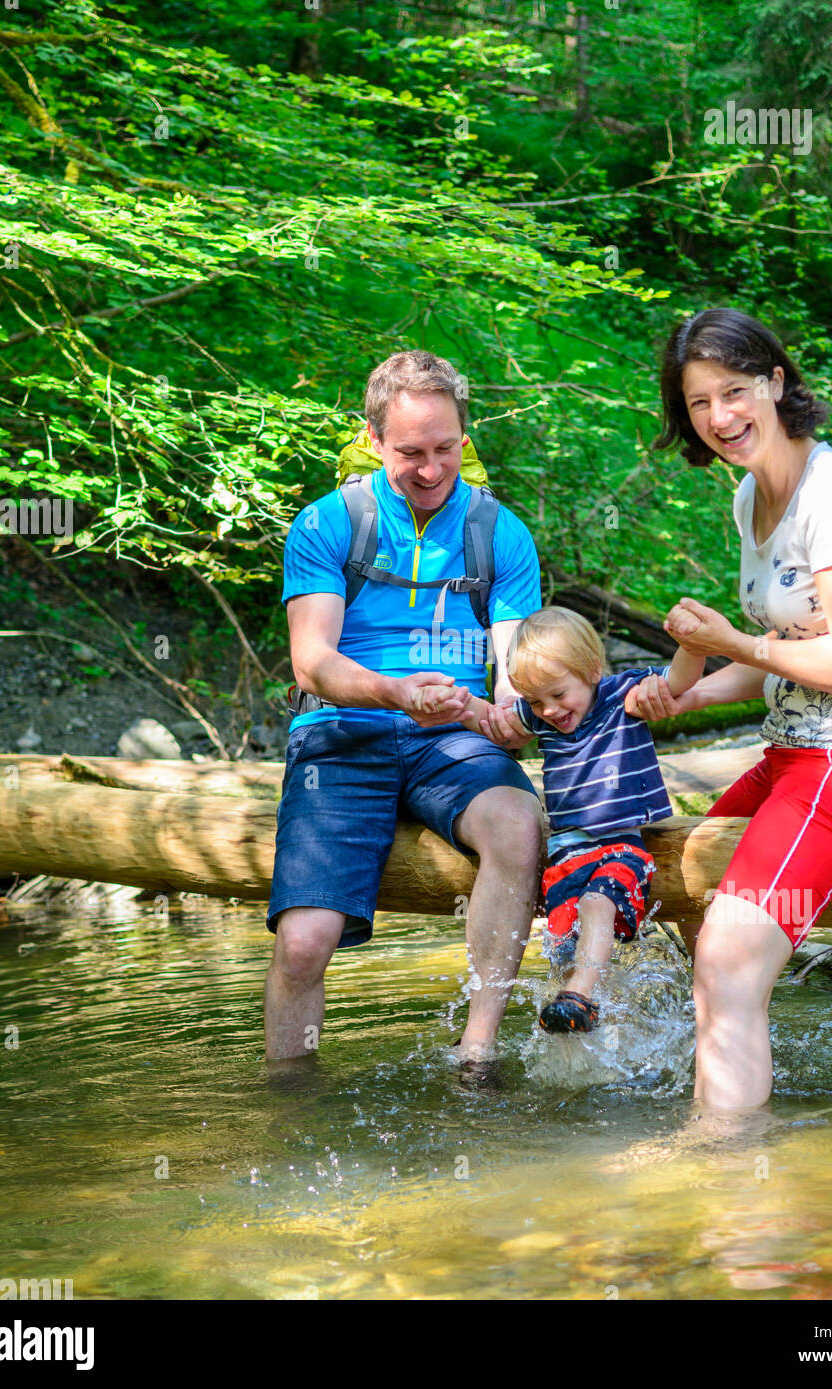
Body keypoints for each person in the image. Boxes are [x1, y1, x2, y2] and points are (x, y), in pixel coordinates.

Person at [625, 307, 832, 1110]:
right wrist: (693, 688)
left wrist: (737, 641)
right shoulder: (748, 500)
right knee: (682, 898)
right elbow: (786, 661)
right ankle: (743, 1077)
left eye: (735, 391)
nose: (720, 418)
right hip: (792, 756)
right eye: (699, 403)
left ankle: (727, 1175)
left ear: (776, 382)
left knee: (728, 954)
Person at [265, 349, 543, 1065]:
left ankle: (476, 1052)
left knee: (518, 822)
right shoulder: (327, 525)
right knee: (302, 944)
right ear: (373, 438)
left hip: (450, 738)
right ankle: (288, 1105)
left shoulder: (499, 532)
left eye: (446, 448)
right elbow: (313, 663)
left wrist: (510, 710)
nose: (430, 469)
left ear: (465, 436)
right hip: (341, 735)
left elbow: (514, 670)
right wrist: (397, 692)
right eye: (410, 452)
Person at [460, 606, 705, 1032]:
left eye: (558, 695)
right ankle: (580, 1021)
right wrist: (458, 707)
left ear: (592, 669)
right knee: (562, 940)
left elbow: (679, 681)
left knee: (597, 903)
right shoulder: (538, 715)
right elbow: (495, 723)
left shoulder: (622, 695)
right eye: (535, 700)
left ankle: (581, 994)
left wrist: (692, 643)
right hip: (565, 855)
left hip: (621, 846)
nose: (549, 710)